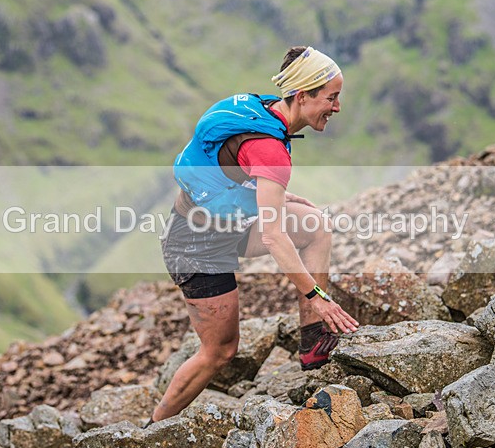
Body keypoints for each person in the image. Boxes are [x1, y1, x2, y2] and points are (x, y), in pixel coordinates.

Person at [150, 46, 359, 425]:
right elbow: (275, 237)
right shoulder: (270, 147)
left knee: (315, 226)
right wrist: (319, 297)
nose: (337, 106)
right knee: (220, 351)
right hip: (194, 245)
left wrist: (280, 196)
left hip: (226, 226)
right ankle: (153, 427)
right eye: (331, 98)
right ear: (301, 95)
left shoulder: (262, 108)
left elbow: (239, 176)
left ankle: (314, 345)